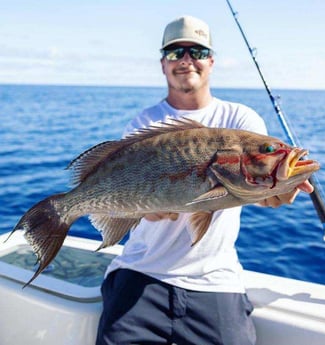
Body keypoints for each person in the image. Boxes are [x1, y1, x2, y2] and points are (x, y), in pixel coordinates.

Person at [96, 15, 313, 345]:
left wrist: (278, 192)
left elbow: (260, 193)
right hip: (141, 271)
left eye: (196, 51)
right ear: (163, 64)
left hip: (215, 279)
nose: (186, 60)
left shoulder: (240, 119)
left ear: (211, 61)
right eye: (175, 53)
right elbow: (128, 202)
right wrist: (147, 211)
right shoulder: (144, 123)